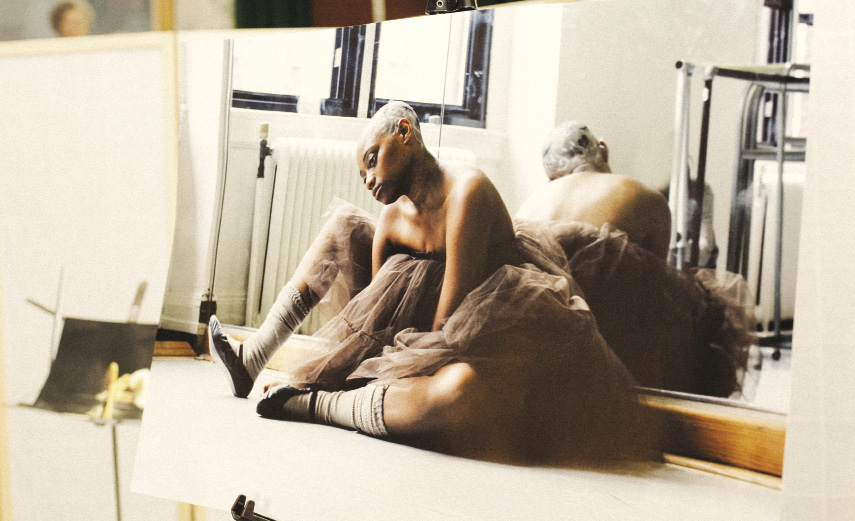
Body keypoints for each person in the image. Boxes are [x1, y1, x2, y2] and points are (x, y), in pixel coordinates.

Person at [209, 103, 751, 465]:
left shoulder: (485, 196)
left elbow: (454, 320)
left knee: (459, 391)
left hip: (484, 311)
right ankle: (255, 354)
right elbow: (374, 306)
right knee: (345, 230)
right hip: (444, 312)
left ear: (406, 132)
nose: (371, 178)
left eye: (373, 161)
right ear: (599, 155)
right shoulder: (398, 218)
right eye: (364, 170)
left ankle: (315, 401)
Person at [516, 121, 672, 259]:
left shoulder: (528, 208)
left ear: (552, 178)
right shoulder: (645, 196)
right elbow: (655, 282)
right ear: (603, 149)